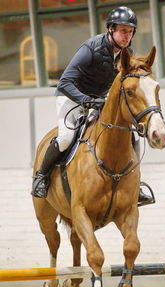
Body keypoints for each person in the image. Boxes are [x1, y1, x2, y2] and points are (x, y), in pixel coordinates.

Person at [31, 6, 153, 206]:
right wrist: (86, 100)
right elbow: (65, 82)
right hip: (71, 96)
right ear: (111, 29)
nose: (127, 36)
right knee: (65, 137)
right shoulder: (91, 48)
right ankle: (41, 177)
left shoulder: (126, 53)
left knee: (128, 133)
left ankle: (136, 184)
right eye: (123, 30)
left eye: (130, 32)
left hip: (99, 99)